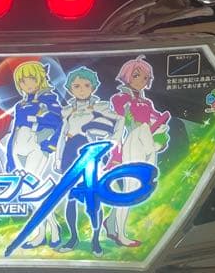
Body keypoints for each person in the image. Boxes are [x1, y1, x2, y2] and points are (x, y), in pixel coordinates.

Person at [103, 57, 170, 247]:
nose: (142, 80)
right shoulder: (120, 98)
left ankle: (111, 223)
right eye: (137, 75)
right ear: (127, 76)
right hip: (133, 141)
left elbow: (157, 119)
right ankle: (121, 234)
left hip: (148, 142)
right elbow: (120, 121)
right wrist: (115, 152)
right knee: (130, 190)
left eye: (146, 77)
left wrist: (160, 131)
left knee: (140, 186)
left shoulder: (146, 102)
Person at [56, 66, 120, 254]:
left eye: (86, 85)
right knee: (71, 197)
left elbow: (120, 120)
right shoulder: (67, 110)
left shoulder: (100, 107)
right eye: (76, 86)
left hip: (90, 151)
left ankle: (95, 240)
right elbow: (61, 136)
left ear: (93, 87)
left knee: (93, 197)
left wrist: (112, 142)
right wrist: (58, 159)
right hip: (70, 152)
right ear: (70, 89)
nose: (82, 89)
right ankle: (73, 238)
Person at [4, 60, 63, 249]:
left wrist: (49, 145)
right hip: (18, 145)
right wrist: (9, 157)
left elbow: (58, 123)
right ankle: (45, 231)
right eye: (22, 81)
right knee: (26, 192)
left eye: (31, 79)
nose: (27, 84)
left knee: (33, 191)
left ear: (40, 78)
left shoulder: (49, 99)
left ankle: (50, 230)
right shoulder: (20, 105)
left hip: (36, 146)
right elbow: (14, 130)